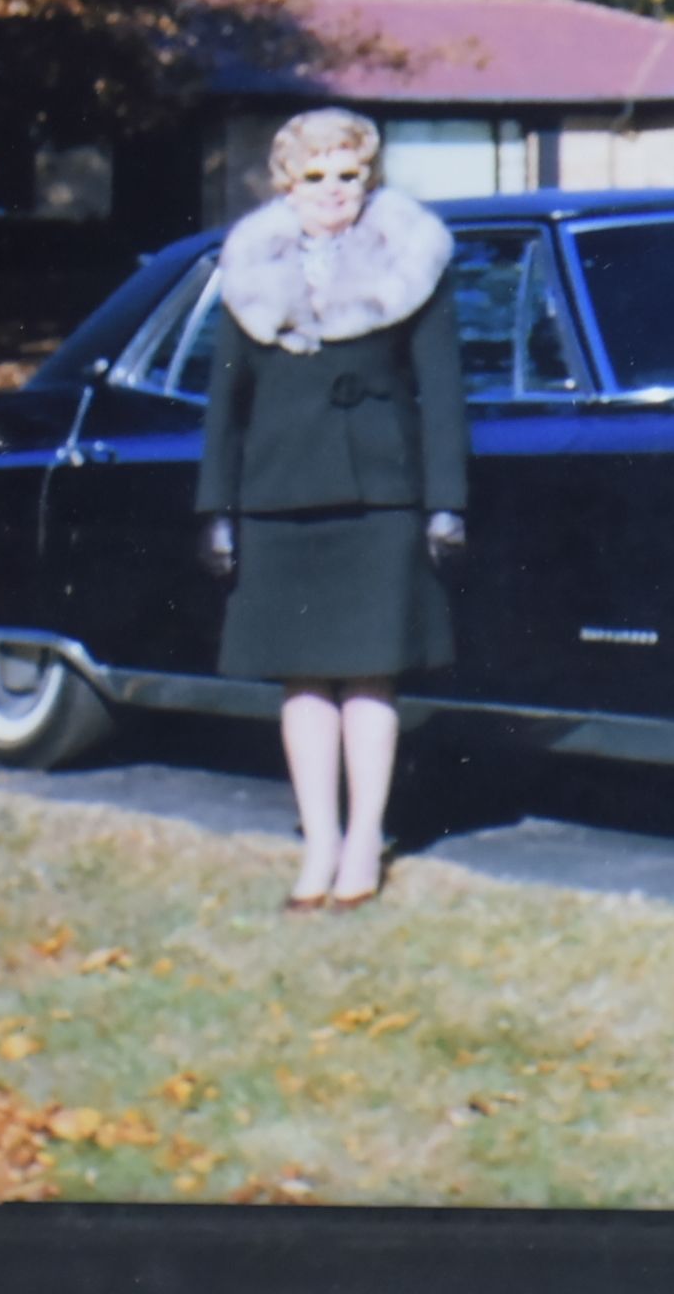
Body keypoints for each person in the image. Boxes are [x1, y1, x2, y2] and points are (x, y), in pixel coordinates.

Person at [194, 108, 467, 910]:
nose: (333, 191)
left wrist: (446, 504)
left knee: (371, 679)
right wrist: (216, 509)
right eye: (315, 176)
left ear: (369, 177)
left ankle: (363, 846)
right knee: (304, 682)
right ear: (287, 182)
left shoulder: (413, 259)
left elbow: (444, 393)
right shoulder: (250, 267)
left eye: (349, 175)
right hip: (280, 494)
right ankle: (318, 845)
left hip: (382, 495)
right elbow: (225, 406)